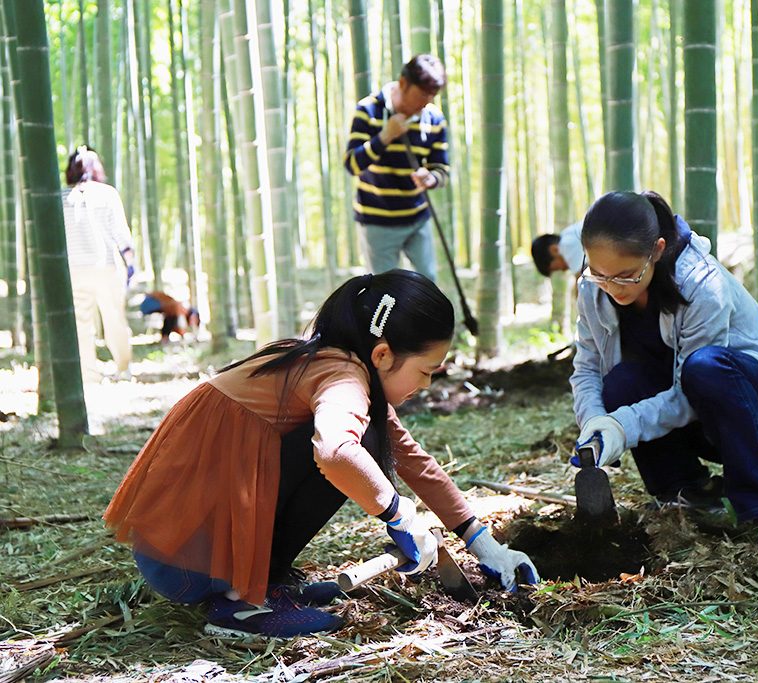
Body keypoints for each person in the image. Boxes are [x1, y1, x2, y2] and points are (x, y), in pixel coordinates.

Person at [104, 271, 539, 638]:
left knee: (369, 440)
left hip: (180, 549)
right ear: (382, 354)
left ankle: (261, 582)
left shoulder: (329, 362)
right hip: (186, 557)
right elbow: (334, 451)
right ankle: (240, 603)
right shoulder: (342, 376)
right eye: (425, 371)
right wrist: (397, 513)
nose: (425, 385)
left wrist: (484, 544)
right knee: (357, 446)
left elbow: (412, 459)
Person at [569, 191, 758, 553]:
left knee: (705, 368)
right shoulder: (592, 287)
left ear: (657, 250)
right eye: (600, 275)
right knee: (621, 383)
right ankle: (686, 491)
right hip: (692, 414)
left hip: (757, 411)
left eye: (626, 276)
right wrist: (595, 423)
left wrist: (622, 426)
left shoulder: (702, 284)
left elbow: (690, 390)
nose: (612, 288)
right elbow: (587, 367)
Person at [343, 54, 450, 281]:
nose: (424, 104)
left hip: (417, 217)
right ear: (403, 83)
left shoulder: (434, 118)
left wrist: (430, 178)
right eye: (421, 96)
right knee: (384, 290)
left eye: (430, 97)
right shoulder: (368, 111)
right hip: (377, 221)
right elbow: (352, 164)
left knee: (427, 282)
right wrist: (385, 136)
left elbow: (441, 168)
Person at [61, 145, 135, 382]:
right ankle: (123, 369)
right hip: (106, 267)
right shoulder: (107, 193)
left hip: (74, 269)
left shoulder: (61, 197)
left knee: (81, 324)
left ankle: (88, 375)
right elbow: (121, 234)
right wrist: (131, 263)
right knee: (114, 319)